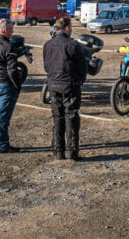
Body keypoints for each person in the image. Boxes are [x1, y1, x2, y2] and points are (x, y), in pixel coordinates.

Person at [43, 17, 87, 161]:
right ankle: (72, 152)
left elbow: (46, 65)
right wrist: (80, 80)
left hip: (54, 85)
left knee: (58, 117)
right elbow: (82, 67)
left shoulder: (48, 44)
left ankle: (58, 151)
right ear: (67, 28)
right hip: (69, 85)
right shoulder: (73, 45)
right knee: (71, 117)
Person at [0, 19, 23, 153]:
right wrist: (17, 84)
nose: (13, 32)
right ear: (5, 30)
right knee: (3, 116)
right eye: (11, 29)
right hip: (5, 83)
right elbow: (12, 69)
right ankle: (2, 145)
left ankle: (2, 143)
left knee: (1, 114)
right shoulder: (8, 46)